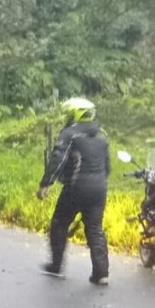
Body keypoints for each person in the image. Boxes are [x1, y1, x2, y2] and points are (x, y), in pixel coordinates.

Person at [37, 97, 110, 285]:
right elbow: (107, 168)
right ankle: (101, 273)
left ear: (76, 114)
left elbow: (58, 158)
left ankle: (56, 266)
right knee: (95, 229)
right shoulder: (102, 138)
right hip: (99, 188)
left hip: (76, 187)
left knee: (59, 223)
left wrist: (46, 183)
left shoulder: (69, 134)